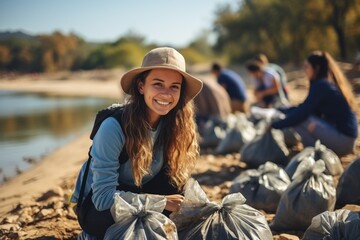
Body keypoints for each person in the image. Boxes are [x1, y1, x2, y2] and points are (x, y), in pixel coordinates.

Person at [71, 47, 203, 238]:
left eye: (174, 86)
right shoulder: (113, 127)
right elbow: (102, 199)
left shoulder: (174, 123)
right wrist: (160, 202)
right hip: (97, 207)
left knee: (181, 191)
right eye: (158, 84)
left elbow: (173, 183)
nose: (166, 94)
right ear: (141, 86)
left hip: (139, 190)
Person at [270, 50, 358, 157]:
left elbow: (301, 113)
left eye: (307, 67)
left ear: (316, 68)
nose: (304, 70)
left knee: (302, 119)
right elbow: (304, 107)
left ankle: (312, 152)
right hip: (345, 139)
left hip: (344, 141)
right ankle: (312, 150)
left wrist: (275, 125)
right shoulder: (324, 84)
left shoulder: (321, 86)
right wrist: (281, 110)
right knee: (302, 117)